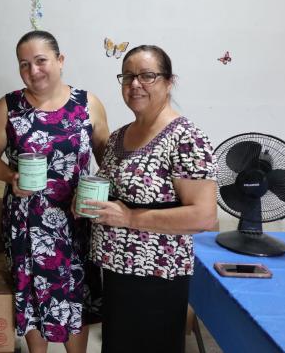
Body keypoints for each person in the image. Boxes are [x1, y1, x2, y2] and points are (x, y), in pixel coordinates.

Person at [78, 45, 217, 353]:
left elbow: (204, 216)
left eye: (147, 76)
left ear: (169, 82)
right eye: (128, 77)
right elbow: (111, 190)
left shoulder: (185, 137)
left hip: (157, 276)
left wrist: (129, 218)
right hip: (116, 274)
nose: (135, 84)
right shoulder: (118, 136)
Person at [0, 30, 109, 353]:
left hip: (76, 221)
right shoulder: (9, 107)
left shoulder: (87, 104)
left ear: (60, 60)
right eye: (25, 64)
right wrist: (10, 176)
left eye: (41, 61)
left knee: (75, 293)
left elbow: (107, 159)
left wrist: (100, 197)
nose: (33, 70)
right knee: (31, 291)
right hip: (26, 222)